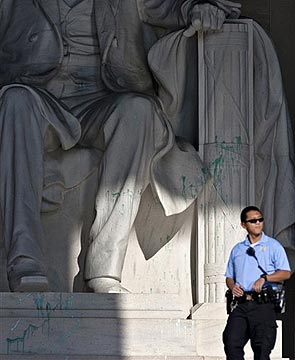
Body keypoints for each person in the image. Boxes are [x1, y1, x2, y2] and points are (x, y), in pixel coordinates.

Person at [0, 0, 242, 292]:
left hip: (102, 98)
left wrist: (200, 8)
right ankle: (25, 259)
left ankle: (105, 269)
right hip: (37, 96)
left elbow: (172, 6)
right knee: (15, 101)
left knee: (138, 110)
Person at [223, 205, 291, 360]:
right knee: (231, 342)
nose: (258, 223)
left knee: (262, 349)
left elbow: (285, 273)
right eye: (253, 220)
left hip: (263, 304)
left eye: (260, 219)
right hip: (240, 305)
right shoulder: (237, 249)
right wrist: (232, 286)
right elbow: (229, 276)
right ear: (243, 224)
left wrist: (265, 278)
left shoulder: (274, 246)